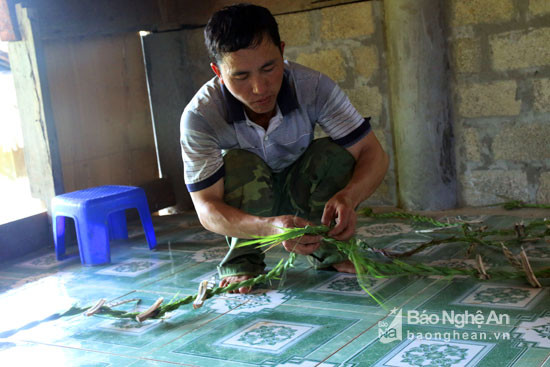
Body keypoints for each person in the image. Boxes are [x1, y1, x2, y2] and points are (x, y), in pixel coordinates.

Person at [180, 3, 389, 294]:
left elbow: (373, 154)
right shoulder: (200, 115)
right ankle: (244, 262)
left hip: (298, 186)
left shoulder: (313, 87)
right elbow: (206, 208)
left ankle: (328, 248)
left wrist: (349, 197)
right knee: (240, 163)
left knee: (335, 154)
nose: (259, 88)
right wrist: (269, 229)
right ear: (218, 71)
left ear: (282, 51)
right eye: (240, 76)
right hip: (250, 204)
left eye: (269, 67)